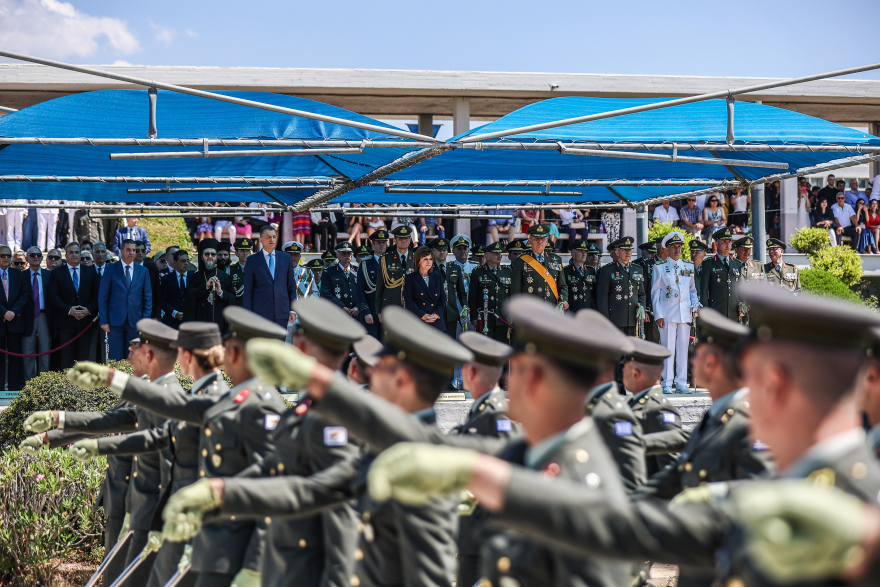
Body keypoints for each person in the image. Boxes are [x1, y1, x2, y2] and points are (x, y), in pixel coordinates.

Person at [239, 298, 631, 587]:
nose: (506, 382)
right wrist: (320, 382)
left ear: (536, 381)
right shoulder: (526, 453)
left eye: (517, 370)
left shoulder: (580, 477)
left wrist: (319, 381)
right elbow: (421, 443)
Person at [67, 307, 287, 587]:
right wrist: (113, 380)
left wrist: (256, 563)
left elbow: (271, 483)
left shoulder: (262, 404)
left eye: (229, 348)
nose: (223, 355)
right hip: (212, 537)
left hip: (235, 544)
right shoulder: (238, 398)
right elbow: (174, 413)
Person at [69, 320, 178, 586]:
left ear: (149, 354)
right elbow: (108, 422)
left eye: (137, 347)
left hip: (137, 502)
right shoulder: (140, 390)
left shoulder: (160, 395)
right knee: (116, 575)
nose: (130, 351)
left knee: (124, 576)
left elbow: (164, 463)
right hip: (123, 498)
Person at [623, 337, 687, 476]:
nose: (622, 373)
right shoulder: (632, 402)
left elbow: (671, 472)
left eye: (625, 368)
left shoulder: (660, 410)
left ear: (635, 374)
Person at [651, 232, 700, 394]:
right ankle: (667, 382)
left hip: (684, 313)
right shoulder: (659, 267)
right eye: (674, 247)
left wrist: (695, 303)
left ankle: (681, 382)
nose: (677, 250)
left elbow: (692, 290)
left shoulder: (688, 266)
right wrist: (658, 314)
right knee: (668, 348)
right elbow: (655, 293)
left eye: (679, 247)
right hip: (667, 313)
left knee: (682, 349)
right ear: (668, 249)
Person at [98, 239, 153, 360]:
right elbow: (103, 297)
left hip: (135, 321)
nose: (132, 253)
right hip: (115, 321)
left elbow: (148, 298)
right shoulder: (110, 269)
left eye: (134, 250)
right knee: (116, 357)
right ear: (121, 251)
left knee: (133, 357)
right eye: (128, 250)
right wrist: (104, 320)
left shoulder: (143, 271)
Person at [48, 242, 99, 368]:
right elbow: (53, 296)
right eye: (71, 252)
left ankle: (82, 387)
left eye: (77, 252)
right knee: (66, 358)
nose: (74, 255)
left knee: (83, 358)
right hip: (65, 323)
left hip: (85, 323)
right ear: (66, 255)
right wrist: (69, 310)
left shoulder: (91, 272)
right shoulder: (57, 273)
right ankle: (67, 386)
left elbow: (98, 294)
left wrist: (88, 310)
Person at [243, 225, 297, 328]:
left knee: (280, 344)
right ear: (260, 240)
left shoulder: (285, 258)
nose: (272, 240)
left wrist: (292, 309)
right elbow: (248, 290)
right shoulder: (252, 260)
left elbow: (291, 286)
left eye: (274, 237)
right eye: (268, 237)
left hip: (282, 313)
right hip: (260, 314)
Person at [596, 236, 646, 336]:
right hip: (615, 320)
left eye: (630, 250)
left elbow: (641, 294)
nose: (628, 253)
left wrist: (642, 307)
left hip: (632, 319)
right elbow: (602, 300)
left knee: (631, 349)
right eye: (624, 250)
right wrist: (605, 321)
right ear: (617, 253)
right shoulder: (607, 271)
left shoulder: (638, 269)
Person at [510, 224, 568, 309]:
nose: (540, 242)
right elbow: (515, 290)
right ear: (530, 241)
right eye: (537, 239)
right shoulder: (521, 261)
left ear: (546, 241)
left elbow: (562, 285)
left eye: (542, 239)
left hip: (551, 308)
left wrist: (564, 299)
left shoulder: (556, 259)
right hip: (530, 309)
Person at [186, 238, 233, 334]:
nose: (210, 257)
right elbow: (189, 297)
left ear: (216, 257)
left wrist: (220, 293)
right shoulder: (195, 277)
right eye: (207, 254)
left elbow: (232, 298)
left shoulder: (225, 277)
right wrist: (205, 287)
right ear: (202, 257)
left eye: (213, 254)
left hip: (220, 322)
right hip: (200, 322)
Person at [468, 241, 512, 343]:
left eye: (500, 253)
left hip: (503, 318)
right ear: (487, 256)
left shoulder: (507, 271)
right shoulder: (478, 272)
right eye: (495, 253)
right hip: (484, 318)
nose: (499, 256)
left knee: (502, 349)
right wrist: (474, 317)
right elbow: (473, 296)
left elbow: (511, 295)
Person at [698, 227, 742, 321]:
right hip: (716, 312)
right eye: (724, 242)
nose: (727, 244)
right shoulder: (708, 264)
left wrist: (742, 304)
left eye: (729, 241)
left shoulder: (737, 264)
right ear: (716, 244)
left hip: (733, 313)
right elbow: (704, 291)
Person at [427, 237, 468, 336]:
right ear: (433, 251)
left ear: (448, 252)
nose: (442, 253)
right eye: (439, 250)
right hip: (434, 313)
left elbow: (461, 291)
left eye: (444, 250)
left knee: (450, 344)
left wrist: (465, 306)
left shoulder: (455, 268)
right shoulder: (428, 269)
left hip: (451, 314)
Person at [22, 246, 51, 380]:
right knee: (28, 352)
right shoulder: (21, 275)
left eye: (38, 255)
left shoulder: (49, 275)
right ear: (27, 258)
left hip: (45, 316)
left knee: (45, 352)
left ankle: (43, 384)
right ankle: (29, 384)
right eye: (32, 255)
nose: (36, 257)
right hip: (27, 318)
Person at [375, 225, 414, 322]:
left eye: (406, 238)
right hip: (390, 307)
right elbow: (380, 286)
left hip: (412, 307)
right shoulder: (385, 259)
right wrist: (379, 311)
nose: (403, 241)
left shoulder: (416, 258)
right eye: (400, 238)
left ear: (410, 240)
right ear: (395, 240)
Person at [403, 246, 446, 331]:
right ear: (418, 261)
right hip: (418, 322)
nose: (428, 262)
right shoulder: (410, 278)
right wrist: (422, 315)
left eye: (430, 259)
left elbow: (443, 298)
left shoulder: (437, 277)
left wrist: (436, 314)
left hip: (436, 322)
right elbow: (409, 301)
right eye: (425, 259)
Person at [356, 229, 388, 339]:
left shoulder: (392, 262)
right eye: (379, 242)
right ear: (373, 244)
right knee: (371, 348)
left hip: (387, 314)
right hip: (371, 314)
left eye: (384, 242)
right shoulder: (365, 263)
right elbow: (360, 290)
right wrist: (366, 311)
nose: (382, 245)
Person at [321, 241, 360, 318]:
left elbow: (363, 291)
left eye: (349, 253)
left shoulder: (358, 271)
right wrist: (342, 307)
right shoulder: (328, 272)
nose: (347, 255)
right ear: (337, 255)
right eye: (343, 253)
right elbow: (326, 294)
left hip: (356, 314)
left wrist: (358, 307)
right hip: (336, 314)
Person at [160, 249, 193, 328]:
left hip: (190, 320)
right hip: (172, 321)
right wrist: (174, 313)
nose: (186, 263)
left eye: (187, 261)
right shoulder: (166, 279)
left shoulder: (194, 277)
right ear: (175, 262)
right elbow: (162, 300)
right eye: (183, 261)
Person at [564, 239, 598, 312]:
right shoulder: (566, 271)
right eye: (580, 251)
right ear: (573, 255)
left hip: (589, 311)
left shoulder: (591, 270)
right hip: (573, 311)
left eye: (585, 251)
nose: (584, 254)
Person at [136, 240, 162, 319]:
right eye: (137, 250)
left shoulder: (152, 269)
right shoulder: (127, 268)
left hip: (149, 312)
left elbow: (157, 294)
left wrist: (157, 316)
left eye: (142, 250)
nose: (140, 253)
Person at [229, 237, 252, 305]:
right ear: (236, 253)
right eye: (242, 250)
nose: (245, 253)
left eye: (247, 250)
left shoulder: (257, 270)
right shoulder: (230, 270)